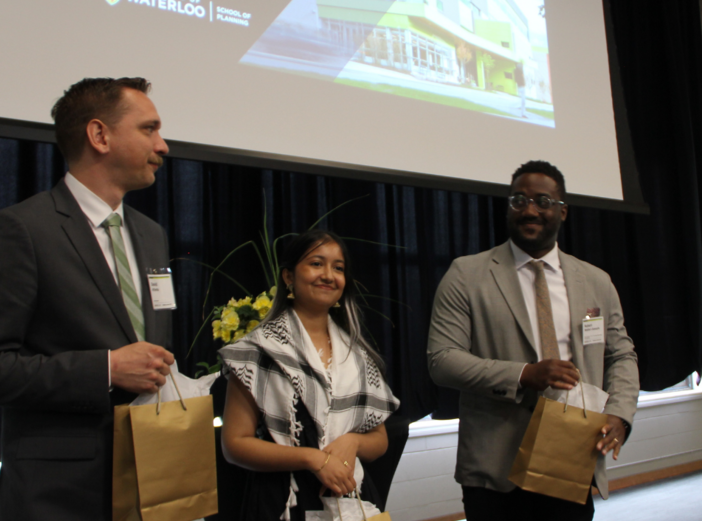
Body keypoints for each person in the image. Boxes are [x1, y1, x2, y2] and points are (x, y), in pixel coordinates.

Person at [0, 77, 175, 521]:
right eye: (149, 129)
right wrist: (106, 368)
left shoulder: (152, 235)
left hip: (150, 483)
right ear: (99, 135)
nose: (163, 145)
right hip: (58, 497)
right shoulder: (23, 230)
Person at [427, 161, 639, 521]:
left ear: (563, 211)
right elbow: (442, 360)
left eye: (542, 201)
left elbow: (621, 356)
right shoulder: (467, 274)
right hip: (495, 469)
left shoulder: (596, 281)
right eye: (519, 200)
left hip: (572, 457)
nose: (529, 210)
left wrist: (620, 414)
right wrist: (524, 375)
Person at [219, 230, 400, 521]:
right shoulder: (257, 350)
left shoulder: (357, 354)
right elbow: (234, 445)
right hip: (282, 501)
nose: (328, 275)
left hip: (349, 496)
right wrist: (312, 459)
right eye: (316, 263)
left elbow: (380, 441)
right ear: (289, 276)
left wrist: (353, 442)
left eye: (338, 268)